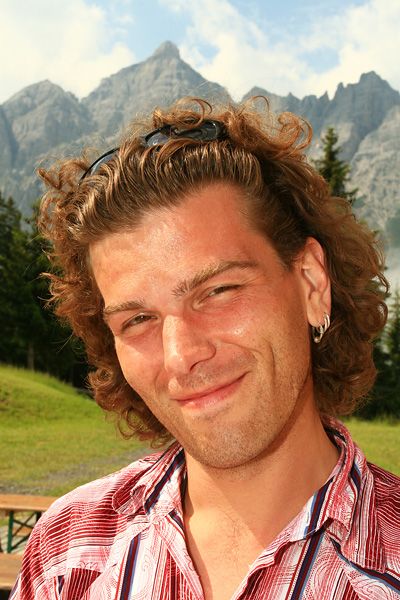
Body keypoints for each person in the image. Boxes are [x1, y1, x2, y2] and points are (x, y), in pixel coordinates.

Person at [11, 98, 400, 600]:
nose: (181, 355)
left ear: (310, 283)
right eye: (138, 320)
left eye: (218, 291)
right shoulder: (67, 553)